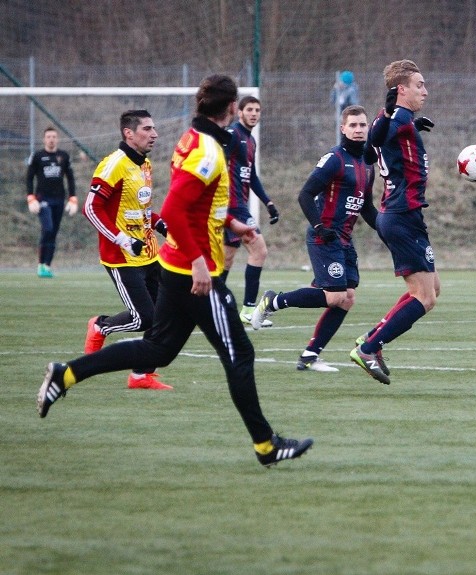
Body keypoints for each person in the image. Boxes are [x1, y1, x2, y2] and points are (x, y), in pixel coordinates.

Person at [37, 74, 313, 467]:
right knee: (241, 356)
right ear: (232, 108)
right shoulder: (207, 151)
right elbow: (174, 211)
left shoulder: (193, 138)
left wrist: (229, 223)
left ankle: (66, 375)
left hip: (174, 265)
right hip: (196, 273)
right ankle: (266, 445)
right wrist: (200, 262)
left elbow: (194, 205)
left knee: (158, 349)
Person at [251, 105, 379, 373]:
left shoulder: (367, 164)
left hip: (344, 239)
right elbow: (305, 194)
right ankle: (273, 301)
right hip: (325, 236)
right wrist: (319, 225)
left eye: (362, 125)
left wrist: (386, 229)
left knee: (347, 297)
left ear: (368, 128)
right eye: (352, 125)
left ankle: (309, 355)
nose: (358, 130)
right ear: (342, 128)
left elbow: (365, 206)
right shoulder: (334, 158)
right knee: (335, 296)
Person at [349, 59, 436, 385]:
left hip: (406, 214)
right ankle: (370, 347)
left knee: (432, 290)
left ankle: (371, 338)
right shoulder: (394, 117)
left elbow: (380, 142)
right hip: (401, 215)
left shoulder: (402, 120)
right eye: (419, 85)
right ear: (401, 90)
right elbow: (371, 148)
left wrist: (411, 126)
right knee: (424, 297)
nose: (425, 91)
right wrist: (391, 117)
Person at [82, 109, 171, 390]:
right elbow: (90, 208)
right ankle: (101, 326)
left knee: (167, 317)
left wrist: (160, 224)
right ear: (128, 133)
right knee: (143, 317)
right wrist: (121, 239)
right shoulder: (114, 164)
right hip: (121, 257)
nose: (154, 134)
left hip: (149, 253)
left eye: (154, 128)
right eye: (147, 129)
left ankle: (140, 375)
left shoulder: (144, 165)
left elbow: (140, 209)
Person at [222, 96, 280, 326]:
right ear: (240, 112)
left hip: (239, 205)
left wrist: (268, 202)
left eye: (257, 109)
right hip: (232, 206)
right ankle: (247, 309)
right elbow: (220, 164)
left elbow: (251, 175)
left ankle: (208, 303)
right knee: (260, 250)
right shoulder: (233, 135)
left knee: (226, 259)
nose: (254, 113)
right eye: (250, 109)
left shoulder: (250, 140)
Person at [26, 126, 77, 278]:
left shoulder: (64, 156)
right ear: (44, 139)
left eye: (54, 136)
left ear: (57, 138)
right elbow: (29, 177)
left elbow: (70, 177)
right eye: (48, 137)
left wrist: (73, 198)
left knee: (53, 232)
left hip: (59, 199)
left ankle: (47, 266)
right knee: (47, 228)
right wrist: (30, 197)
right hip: (43, 198)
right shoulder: (37, 156)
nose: (51, 139)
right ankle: (40, 264)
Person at [330, 71, 359, 144]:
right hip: (340, 116)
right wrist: (335, 90)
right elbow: (333, 101)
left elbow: (353, 104)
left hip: (347, 116)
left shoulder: (351, 90)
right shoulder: (339, 90)